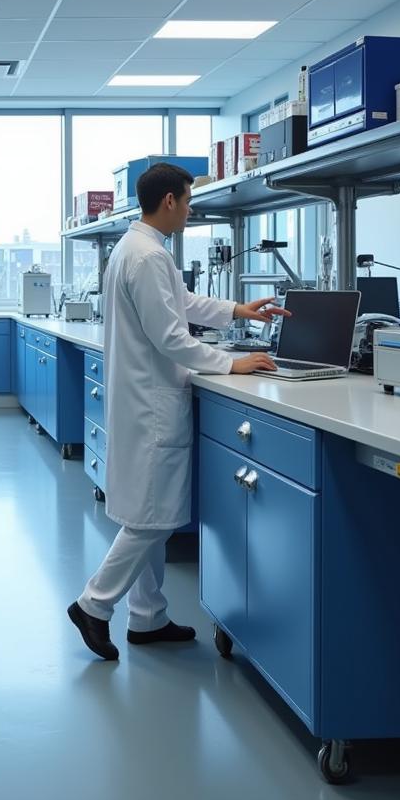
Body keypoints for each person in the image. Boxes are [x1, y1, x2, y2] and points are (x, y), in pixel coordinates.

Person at [68, 162, 287, 660]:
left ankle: (147, 617)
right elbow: (171, 337)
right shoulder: (145, 256)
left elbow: (180, 302)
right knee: (152, 517)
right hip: (152, 402)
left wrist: (238, 311)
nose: (190, 210)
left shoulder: (141, 249)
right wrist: (232, 364)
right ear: (169, 201)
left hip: (144, 397)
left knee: (151, 511)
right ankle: (94, 603)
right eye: (188, 201)